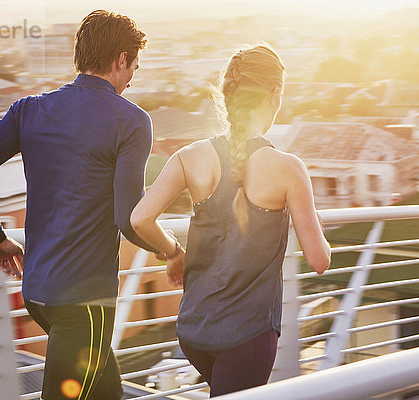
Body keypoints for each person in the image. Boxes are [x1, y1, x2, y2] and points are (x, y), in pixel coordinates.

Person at [0, 10, 159, 400]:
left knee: (106, 393)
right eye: (134, 65)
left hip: (37, 294)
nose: (133, 77)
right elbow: (130, 219)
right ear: (121, 59)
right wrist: (173, 250)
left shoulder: (29, 109)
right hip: (85, 304)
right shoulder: (131, 121)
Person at [130, 44, 331, 397]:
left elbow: (141, 218)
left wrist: (173, 252)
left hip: (194, 331)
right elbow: (319, 260)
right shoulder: (288, 168)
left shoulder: (188, 156)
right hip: (246, 338)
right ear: (275, 94)